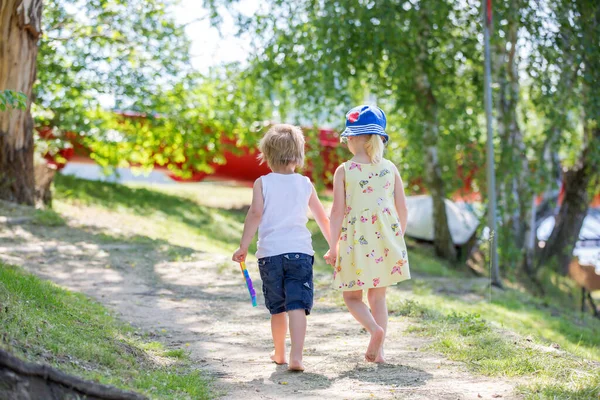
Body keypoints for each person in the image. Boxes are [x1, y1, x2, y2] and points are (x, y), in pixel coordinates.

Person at [232, 124, 331, 372]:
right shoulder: (305, 183)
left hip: (270, 255)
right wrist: (334, 246)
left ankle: (279, 354)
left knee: (278, 308)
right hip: (299, 253)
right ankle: (297, 356)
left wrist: (244, 245)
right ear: (298, 156)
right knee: (297, 305)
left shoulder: (262, 183)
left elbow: (255, 214)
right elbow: (321, 217)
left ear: (266, 155)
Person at [325, 105, 410, 363]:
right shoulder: (389, 168)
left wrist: (332, 245)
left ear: (355, 138)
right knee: (378, 296)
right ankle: (380, 351)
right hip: (385, 242)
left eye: (349, 136)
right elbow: (403, 209)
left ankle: (374, 330)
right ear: (378, 138)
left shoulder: (345, 170)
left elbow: (337, 212)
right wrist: (398, 238)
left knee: (352, 296)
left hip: (354, 243)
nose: (347, 140)